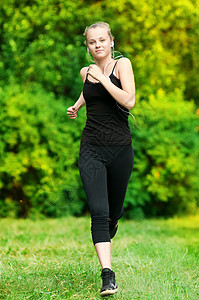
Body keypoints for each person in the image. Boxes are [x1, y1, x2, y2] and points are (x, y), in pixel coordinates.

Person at [67, 21, 135, 297]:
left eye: (102, 40)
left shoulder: (122, 65)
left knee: (113, 212)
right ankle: (108, 275)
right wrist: (77, 105)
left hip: (120, 149)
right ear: (87, 46)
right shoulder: (87, 72)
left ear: (111, 42)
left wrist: (103, 79)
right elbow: (88, 91)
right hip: (91, 147)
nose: (97, 45)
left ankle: (112, 222)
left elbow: (128, 101)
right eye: (92, 42)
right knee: (98, 210)